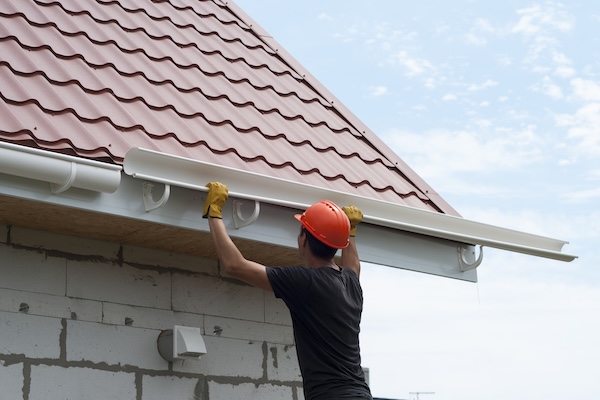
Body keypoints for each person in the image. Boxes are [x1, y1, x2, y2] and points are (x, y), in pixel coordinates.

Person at [203, 181, 373, 400]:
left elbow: (235, 265)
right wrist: (350, 232)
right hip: (360, 394)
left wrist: (214, 213)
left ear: (304, 240)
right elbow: (353, 265)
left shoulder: (306, 282)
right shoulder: (351, 282)